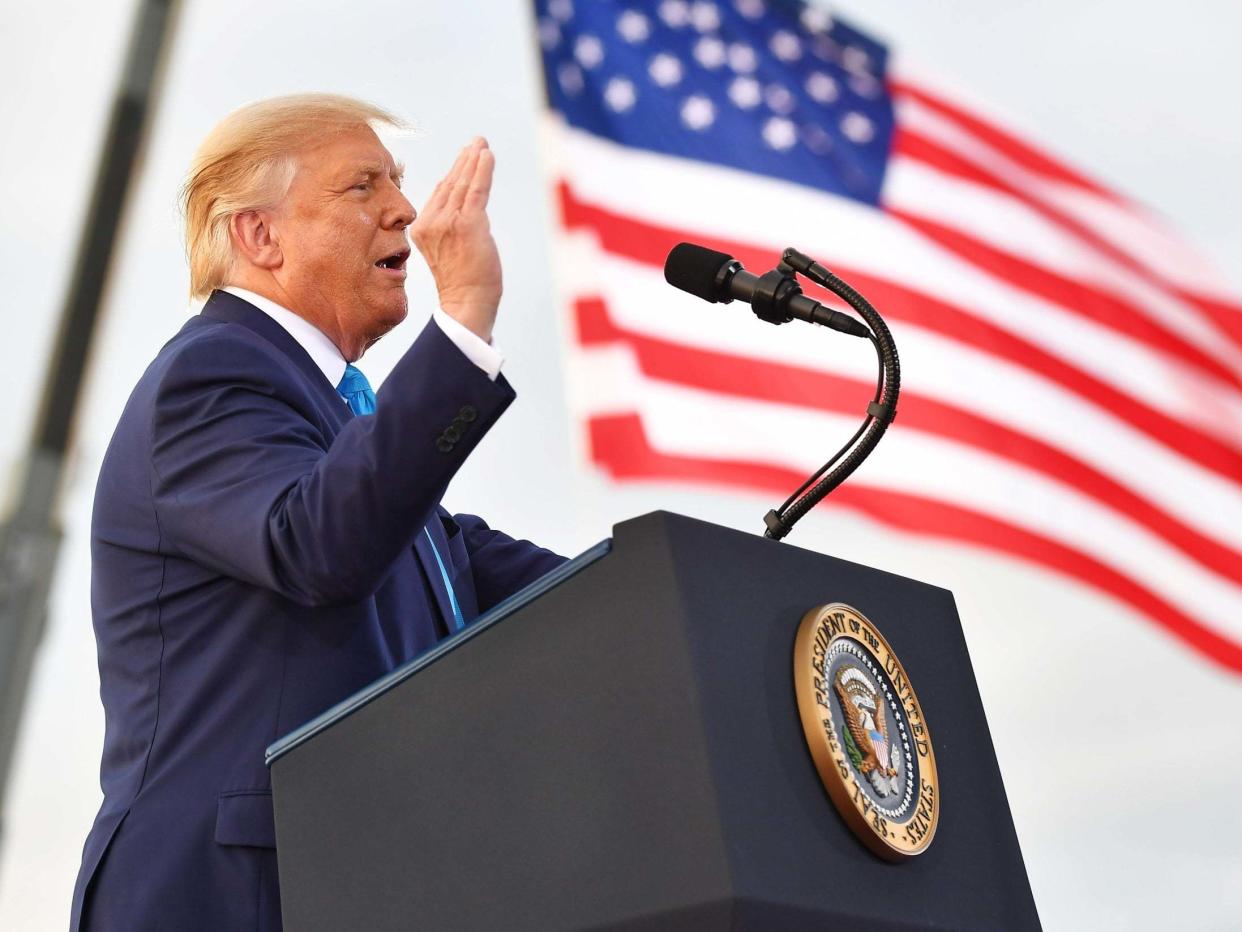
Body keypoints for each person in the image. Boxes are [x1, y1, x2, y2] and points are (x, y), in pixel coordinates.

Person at [70, 94, 567, 931]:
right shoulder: (214, 373)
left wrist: (717, 592)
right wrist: (464, 328)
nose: (403, 210)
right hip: (228, 899)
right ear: (259, 236)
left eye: (398, 182)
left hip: (348, 884)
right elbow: (321, 543)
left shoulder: (341, 425)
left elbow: (553, 591)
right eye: (362, 186)